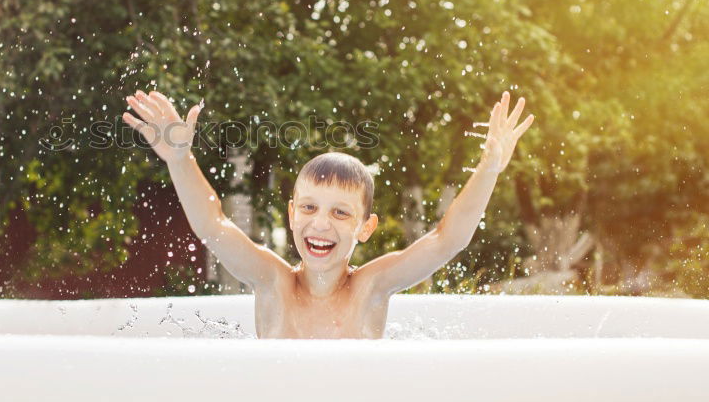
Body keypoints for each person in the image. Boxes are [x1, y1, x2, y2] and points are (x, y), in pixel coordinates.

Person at [123, 89, 534, 338]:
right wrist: (180, 159)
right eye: (308, 207)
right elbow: (214, 226)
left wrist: (488, 169)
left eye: (340, 213)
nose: (320, 224)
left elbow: (447, 239)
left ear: (365, 227)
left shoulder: (371, 288)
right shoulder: (272, 281)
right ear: (290, 214)